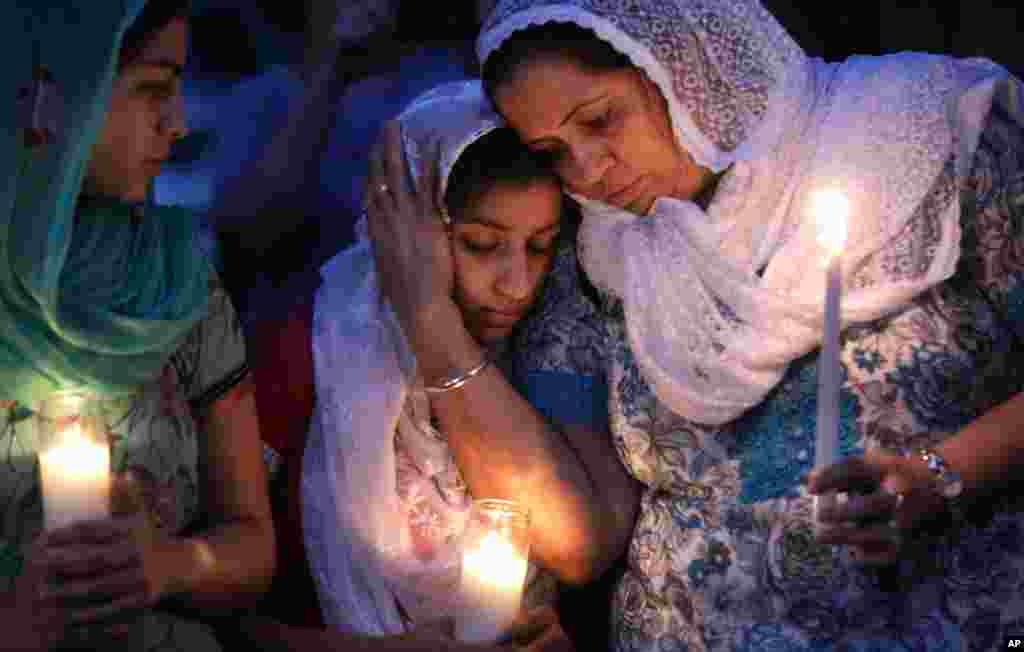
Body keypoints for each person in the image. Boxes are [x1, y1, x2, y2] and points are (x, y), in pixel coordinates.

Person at [467, 1, 1024, 650]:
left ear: (685, 58)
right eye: (553, 151)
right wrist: (429, 325)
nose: (588, 171)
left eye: (599, 120)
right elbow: (585, 530)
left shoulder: (930, 137)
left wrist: (940, 474)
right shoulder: (599, 249)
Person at [235, 80, 619, 651]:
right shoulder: (304, 352)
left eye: (539, 247)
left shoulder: (539, 355)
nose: (516, 285)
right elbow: (219, 622)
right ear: (406, 233)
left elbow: (577, 551)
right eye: (481, 244)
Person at [0, 1, 275, 650]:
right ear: (56, 91)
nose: (176, 125)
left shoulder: (177, 283)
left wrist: (169, 565)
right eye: (152, 89)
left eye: (179, 92)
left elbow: (253, 545)